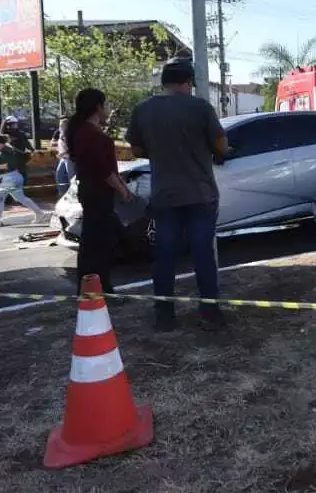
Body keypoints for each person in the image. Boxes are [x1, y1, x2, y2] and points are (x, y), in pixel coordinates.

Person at [126, 59, 228, 331]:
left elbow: (135, 149)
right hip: (200, 194)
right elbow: (220, 144)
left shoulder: (143, 109)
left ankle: (164, 315)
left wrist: (160, 150)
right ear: (188, 81)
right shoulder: (199, 107)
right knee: (203, 254)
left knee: (165, 255)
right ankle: (209, 312)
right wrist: (212, 152)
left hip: (164, 195)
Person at [66, 88, 133, 295]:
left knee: (96, 242)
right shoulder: (90, 134)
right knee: (98, 245)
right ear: (98, 107)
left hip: (92, 192)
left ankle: (95, 288)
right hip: (98, 193)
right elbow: (103, 170)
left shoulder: (82, 131)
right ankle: (97, 290)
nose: (109, 109)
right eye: (106, 104)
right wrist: (122, 189)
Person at [0, 133, 48, 226]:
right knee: (21, 198)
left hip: (9, 178)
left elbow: (9, 165)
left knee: (0, 198)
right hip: (13, 177)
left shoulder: (6, 151)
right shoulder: (5, 149)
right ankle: (39, 213)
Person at [51, 124, 74, 196]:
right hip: (63, 158)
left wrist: (62, 152)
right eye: (61, 124)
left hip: (70, 158)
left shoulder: (72, 132)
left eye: (64, 124)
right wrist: (59, 142)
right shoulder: (58, 132)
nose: (62, 126)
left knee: (72, 178)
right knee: (59, 175)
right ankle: (62, 194)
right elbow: (51, 143)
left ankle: (74, 195)